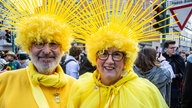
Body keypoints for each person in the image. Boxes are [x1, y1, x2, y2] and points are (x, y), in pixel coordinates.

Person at [67, 0, 176, 107]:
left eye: (117, 54)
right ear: (95, 57)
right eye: (103, 53)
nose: (109, 61)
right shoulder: (80, 88)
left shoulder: (146, 92)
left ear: (126, 59)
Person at [0, 0, 81, 107]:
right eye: (39, 43)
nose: (47, 51)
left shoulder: (77, 88)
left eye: (53, 43)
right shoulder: (5, 82)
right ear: (28, 47)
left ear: (62, 48)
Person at [163, 40, 186, 108]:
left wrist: (175, 75)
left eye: (174, 48)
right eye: (171, 48)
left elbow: (184, 74)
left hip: (175, 87)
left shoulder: (179, 59)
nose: (174, 50)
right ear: (166, 49)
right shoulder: (162, 58)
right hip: (163, 86)